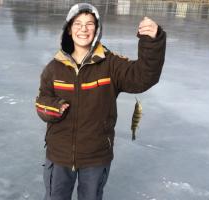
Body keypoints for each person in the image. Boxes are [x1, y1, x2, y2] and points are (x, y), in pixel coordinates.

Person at [35, 3, 166, 200]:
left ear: (97, 29)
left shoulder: (110, 64)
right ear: (69, 29)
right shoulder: (53, 68)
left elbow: (143, 77)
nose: (83, 28)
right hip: (59, 155)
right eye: (77, 23)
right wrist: (53, 108)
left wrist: (152, 42)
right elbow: (42, 101)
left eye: (90, 24)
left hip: (96, 156)